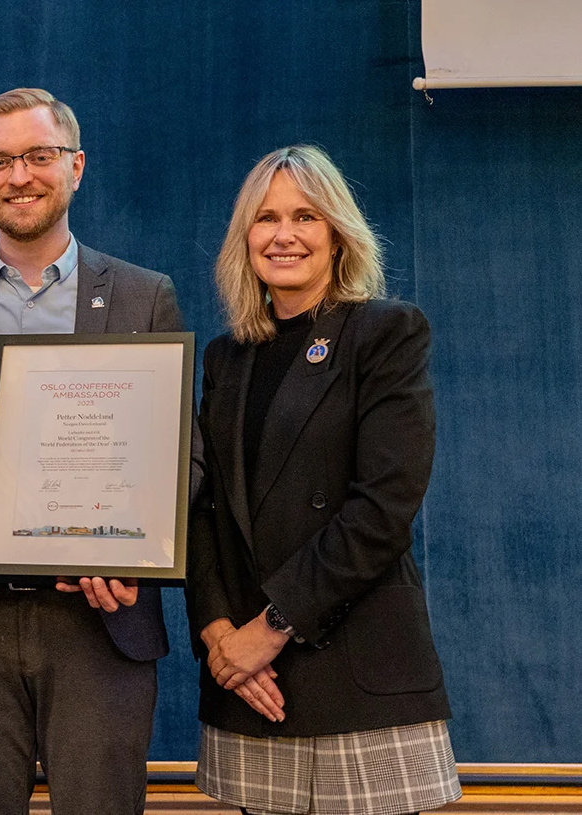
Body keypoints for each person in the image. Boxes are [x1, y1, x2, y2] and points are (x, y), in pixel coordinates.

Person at [0, 87, 189, 815]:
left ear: (76, 167)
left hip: (97, 621)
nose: (18, 175)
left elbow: (181, 456)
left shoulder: (143, 298)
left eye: (37, 156)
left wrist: (134, 554)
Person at [185, 145, 461, 815]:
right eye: (266, 217)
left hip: (357, 679)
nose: (284, 235)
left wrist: (269, 627)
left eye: (305, 216)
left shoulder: (386, 333)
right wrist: (219, 633)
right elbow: (203, 508)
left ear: (338, 233)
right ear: (244, 237)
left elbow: (384, 508)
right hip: (255, 686)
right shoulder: (225, 358)